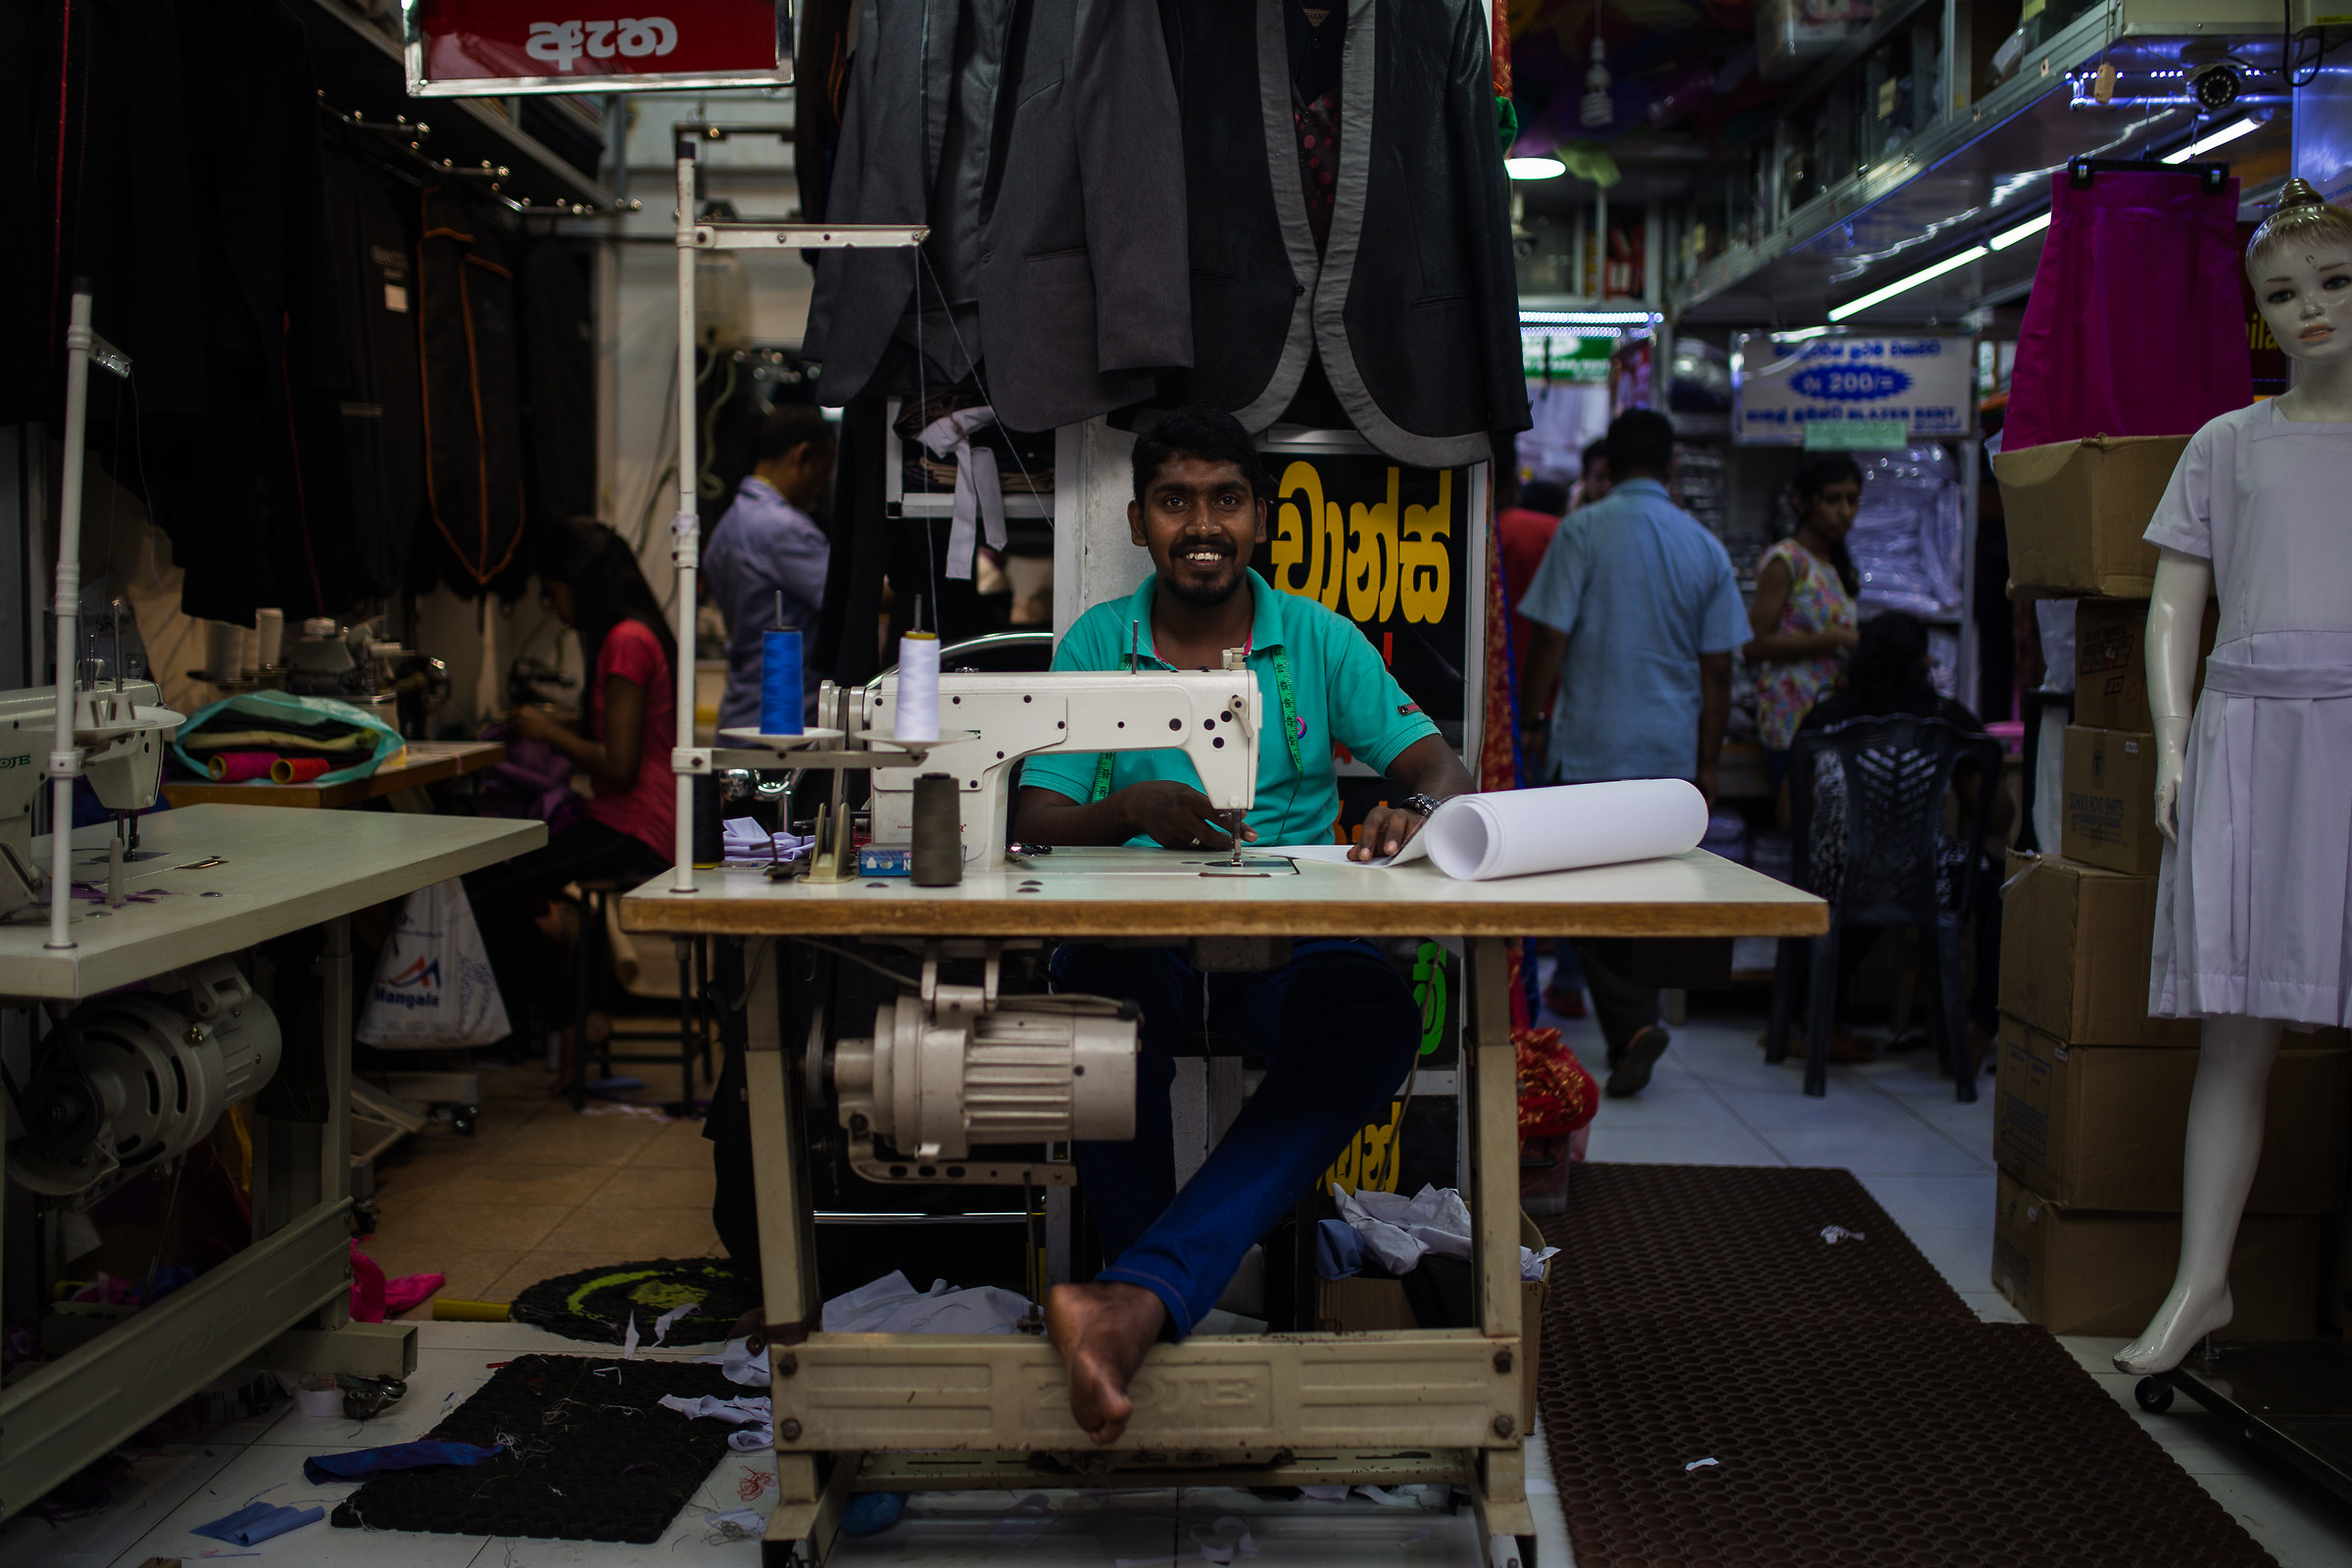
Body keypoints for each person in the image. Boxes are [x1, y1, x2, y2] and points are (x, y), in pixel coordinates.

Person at [1011, 406, 1473, 1446]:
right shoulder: (1096, 643)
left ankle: (1132, 1302)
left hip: (1291, 941)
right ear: (1140, 521)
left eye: (1225, 499)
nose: (1203, 523)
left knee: (1375, 1020)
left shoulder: (1314, 638)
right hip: (1138, 937)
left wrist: (1423, 810)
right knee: (1097, 1024)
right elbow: (1036, 820)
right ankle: (1153, 1303)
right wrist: (1128, 810)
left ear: (1259, 517)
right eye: (1177, 500)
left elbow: (1439, 764)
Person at [1515, 409, 1748, 1097]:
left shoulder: (1582, 530)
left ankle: (1634, 1025)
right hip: (1668, 752)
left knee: (1574, 893)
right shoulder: (1703, 546)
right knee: (1638, 899)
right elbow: (1719, 670)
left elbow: (1550, 639)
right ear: (1673, 466)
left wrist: (1530, 716)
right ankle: (1633, 1027)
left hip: (1589, 744)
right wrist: (1706, 766)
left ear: (1607, 468)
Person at [466, 519, 678, 1089]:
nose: (553, 608)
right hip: (630, 816)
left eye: (553, 593)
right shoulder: (634, 633)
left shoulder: (625, 641)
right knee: (507, 880)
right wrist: (553, 724)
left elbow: (619, 764)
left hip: (638, 823)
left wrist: (546, 730)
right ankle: (577, 1013)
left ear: (580, 585)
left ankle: (575, 1019)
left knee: (487, 891)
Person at [1789, 611, 2012, 1069]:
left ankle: (1813, 1018)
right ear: (1925, 661)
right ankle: (1976, 1027)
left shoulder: (1829, 716)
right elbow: (1997, 818)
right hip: (1922, 877)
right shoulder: (1944, 718)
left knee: (1858, 878)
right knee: (2005, 886)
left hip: (1836, 879)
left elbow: (1788, 814)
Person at [703, 404, 837, 730]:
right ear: (802, 456)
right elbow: (860, 596)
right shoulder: (782, 529)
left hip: (745, 714)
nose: (819, 495)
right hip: (781, 730)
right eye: (821, 477)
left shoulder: (730, 524)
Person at [1747, 455, 1862, 784]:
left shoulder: (1838, 563)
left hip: (1830, 717)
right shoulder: (1786, 561)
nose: (1844, 512)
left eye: (1852, 500)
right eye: (1832, 499)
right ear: (1803, 501)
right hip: (1792, 718)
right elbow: (1753, 644)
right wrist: (1836, 639)